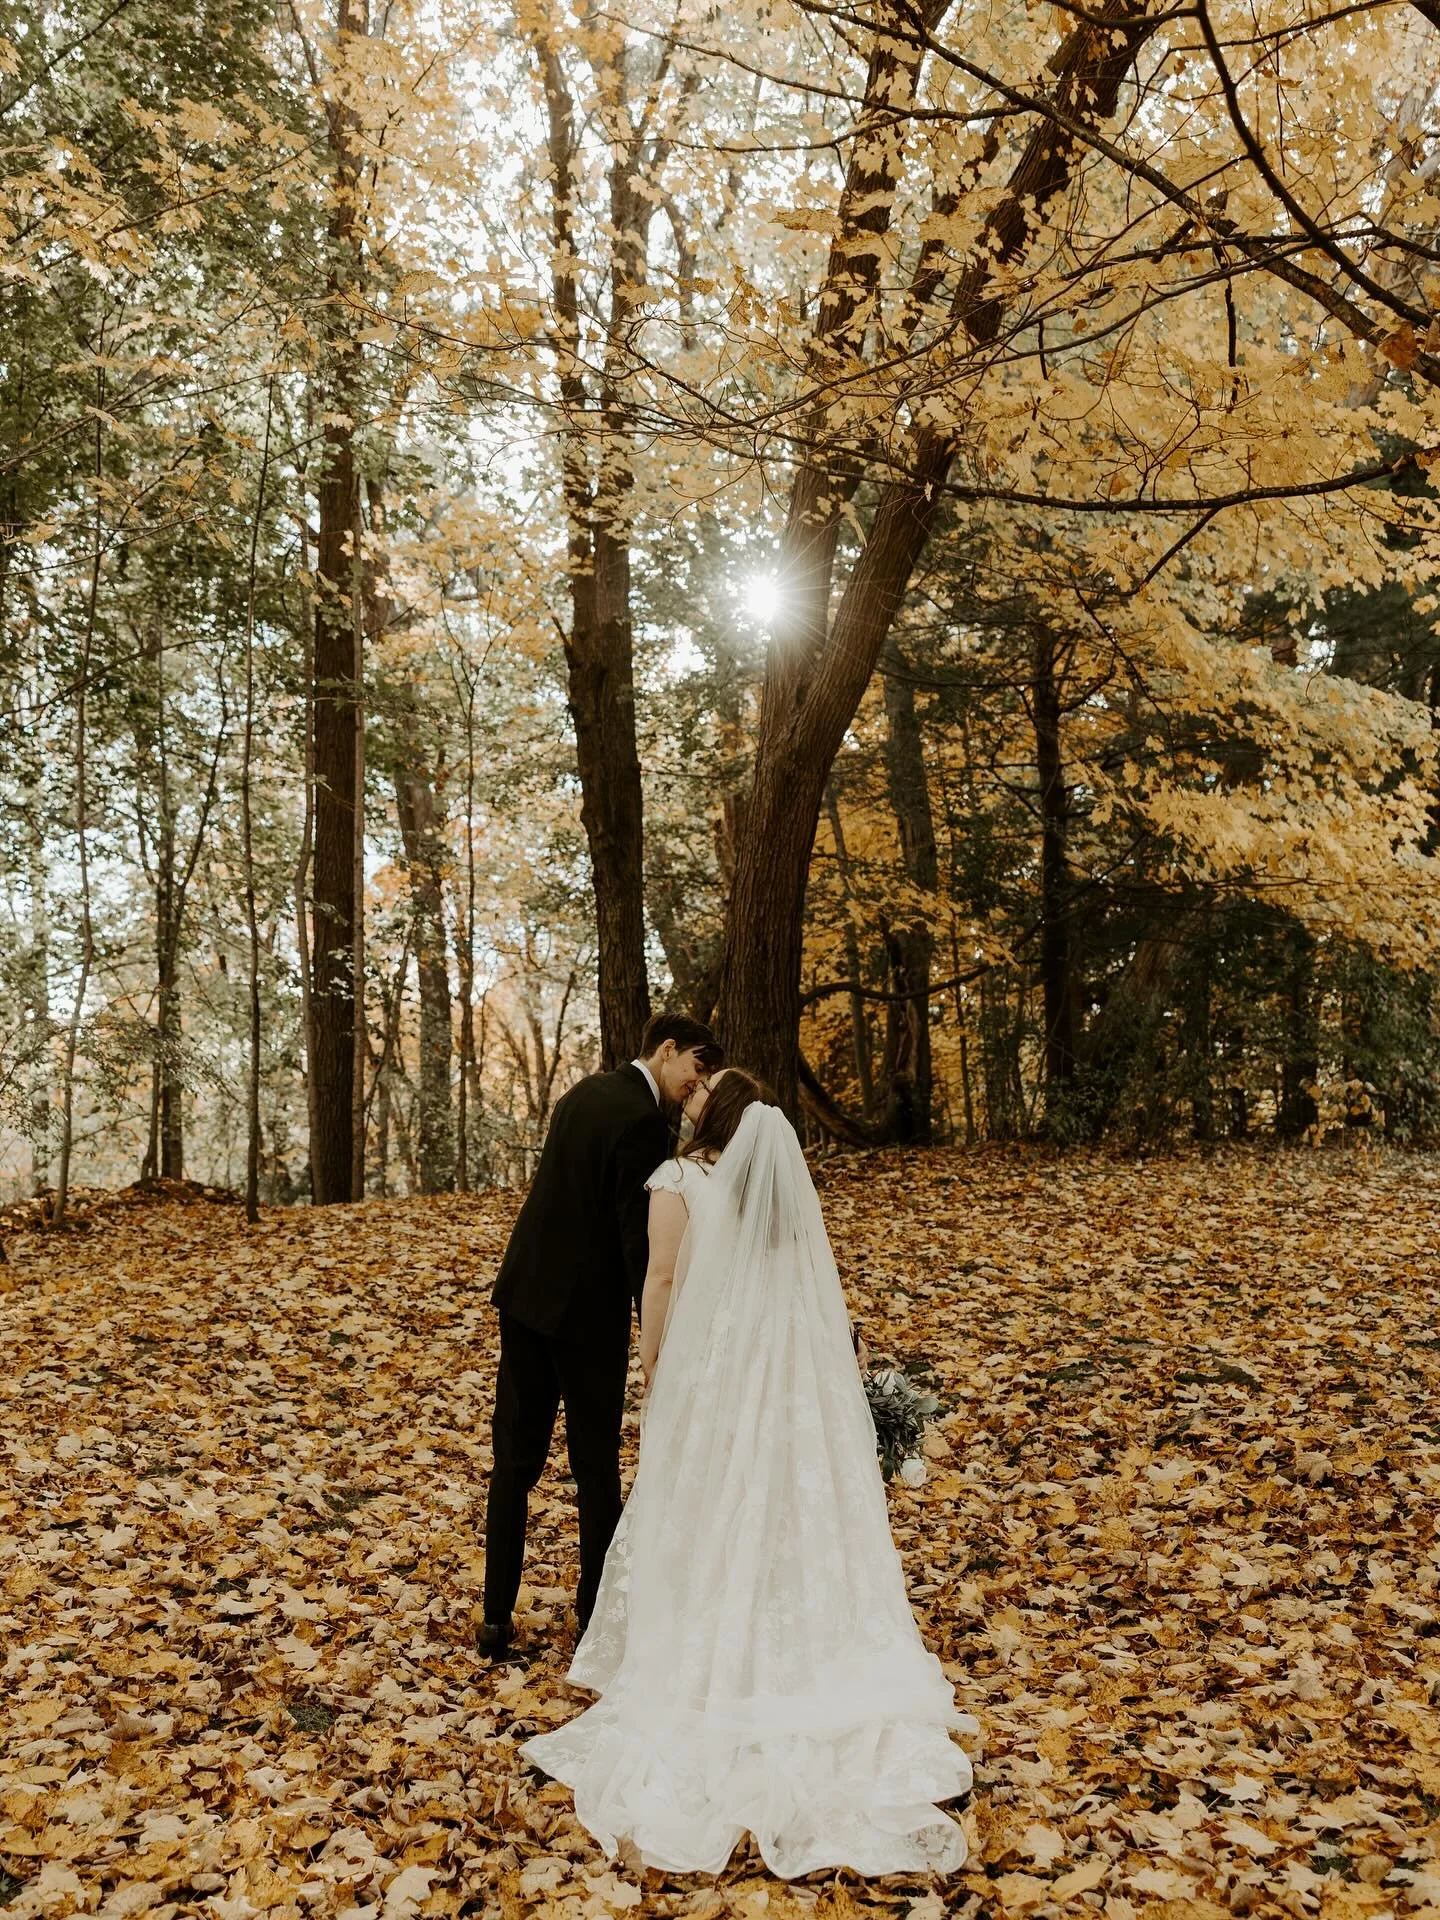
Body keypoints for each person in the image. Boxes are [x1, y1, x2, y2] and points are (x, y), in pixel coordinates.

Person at [521, 1068, 976, 1878]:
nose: (690, 1095)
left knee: (707, 1508)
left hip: (714, 1375)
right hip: (784, 1382)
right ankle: (788, 1639)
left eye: (701, 1092)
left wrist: (655, 1366)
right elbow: (803, 1291)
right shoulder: (773, 1193)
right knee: (777, 1514)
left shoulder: (685, 1180)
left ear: (716, 1115)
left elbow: (661, 1282)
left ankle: (708, 1652)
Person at [479, 1012, 721, 1655]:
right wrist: (657, 1332)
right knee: (596, 1471)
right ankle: (593, 1622)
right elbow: (635, 1239)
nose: (693, 1083)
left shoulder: (582, 1091)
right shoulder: (643, 1121)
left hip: (527, 1296)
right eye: (695, 1066)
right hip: (586, 1318)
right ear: (666, 1050)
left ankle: (494, 1617)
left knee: (514, 1462)